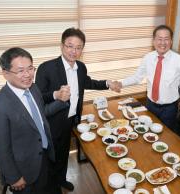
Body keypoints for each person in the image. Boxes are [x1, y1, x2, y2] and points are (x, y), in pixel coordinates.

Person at [35, 27, 118, 191]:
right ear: (62, 46)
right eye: (70, 46)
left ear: (82, 49)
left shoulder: (81, 67)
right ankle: (53, 188)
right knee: (51, 158)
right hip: (52, 123)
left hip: (71, 120)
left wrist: (107, 83)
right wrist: (56, 95)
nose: (74, 51)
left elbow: (87, 82)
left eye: (78, 47)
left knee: (64, 154)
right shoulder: (47, 68)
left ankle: (61, 180)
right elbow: (37, 97)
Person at [0, 47, 68, 194]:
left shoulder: (33, 88)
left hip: (46, 157)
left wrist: (61, 101)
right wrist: (14, 177)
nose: (28, 75)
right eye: (20, 71)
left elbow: (41, 115)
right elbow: (1, 149)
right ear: (5, 73)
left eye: (30, 68)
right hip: (25, 172)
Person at [116, 25, 180, 133]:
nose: (163, 43)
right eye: (159, 39)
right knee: (148, 133)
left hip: (169, 109)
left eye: (166, 39)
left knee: (167, 136)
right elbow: (137, 77)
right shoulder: (148, 57)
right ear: (154, 41)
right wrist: (120, 83)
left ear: (171, 41)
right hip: (150, 105)